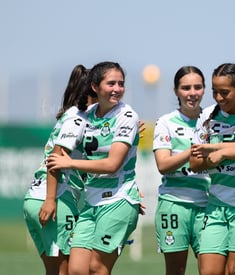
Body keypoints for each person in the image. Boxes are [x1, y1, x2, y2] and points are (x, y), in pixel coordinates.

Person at [46, 61, 142, 275]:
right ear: (94, 87)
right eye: (111, 83)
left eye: (121, 83)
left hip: (118, 200)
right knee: (77, 270)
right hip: (91, 201)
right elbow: (58, 154)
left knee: (96, 267)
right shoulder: (83, 114)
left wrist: (69, 163)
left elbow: (112, 165)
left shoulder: (127, 116)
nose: (117, 89)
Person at [189, 62, 235, 275]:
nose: (219, 98)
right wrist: (218, 158)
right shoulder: (208, 116)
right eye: (214, 92)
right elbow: (195, 163)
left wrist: (220, 152)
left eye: (224, 92)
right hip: (216, 205)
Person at [23, 64, 90, 275]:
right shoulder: (79, 118)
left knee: (55, 271)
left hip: (36, 197)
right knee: (69, 271)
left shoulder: (71, 116)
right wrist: (51, 200)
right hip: (55, 199)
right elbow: (57, 157)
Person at [152, 65, 210, 275]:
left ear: (205, 89)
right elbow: (163, 165)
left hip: (209, 206)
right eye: (186, 88)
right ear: (176, 90)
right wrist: (193, 151)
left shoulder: (215, 120)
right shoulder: (165, 122)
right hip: (174, 204)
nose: (192, 93)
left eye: (198, 87)